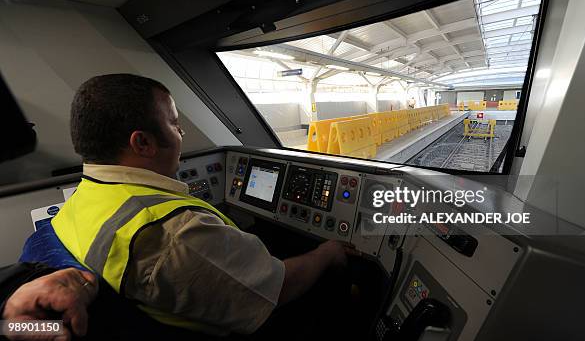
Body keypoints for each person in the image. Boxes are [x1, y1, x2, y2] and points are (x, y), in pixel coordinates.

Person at [44, 74, 357, 336]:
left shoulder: (84, 197)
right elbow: (278, 288)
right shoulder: (174, 234)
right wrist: (326, 253)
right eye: (174, 123)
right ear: (143, 143)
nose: (181, 133)